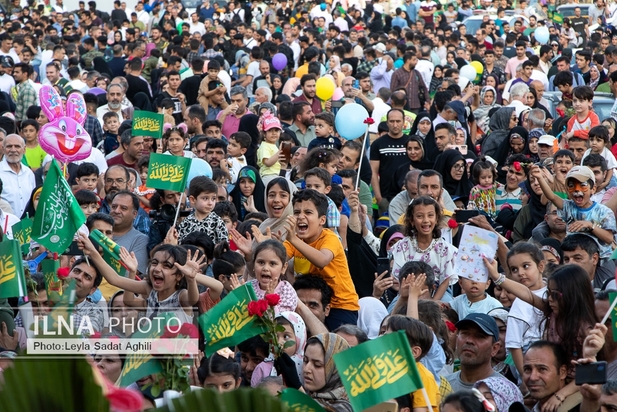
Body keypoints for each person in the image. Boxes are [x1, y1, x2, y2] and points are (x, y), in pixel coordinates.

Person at [281, 189, 359, 330]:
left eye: (308, 212)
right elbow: (279, 259)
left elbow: (322, 260)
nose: (301, 217)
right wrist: (263, 248)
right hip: (308, 303)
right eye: (297, 212)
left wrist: (293, 239)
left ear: (322, 220)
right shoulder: (294, 239)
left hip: (340, 305)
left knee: (338, 346)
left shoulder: (330, 238)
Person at [391, 196, 457, 301]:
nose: (426, 220)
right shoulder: (402, 247)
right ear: (412, 220)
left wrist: (433, 302)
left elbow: (445, 280)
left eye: (430, 215)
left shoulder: (444, 248)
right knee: (393, 313)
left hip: (439, 292)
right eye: (420, 216)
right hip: (408, 292)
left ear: (436, 219)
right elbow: (400, 278)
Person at [446, 313, 512, 392]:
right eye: (465, 333)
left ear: (494, 348)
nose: (469, 341)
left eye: (480, 336)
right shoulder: (442, 387)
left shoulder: (505, 391)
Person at [370, 109, 411, 214]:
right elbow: (373, 172)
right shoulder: (378, 144)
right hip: (386, 197)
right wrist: (379, 197)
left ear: (403, 122)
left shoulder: (410, 143)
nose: (395, 124)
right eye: (392, 121)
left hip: (409, 195)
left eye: (398, 121)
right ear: (387, 122)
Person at [302, 333, 353, 411]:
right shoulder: (311, 394)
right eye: (305, 360)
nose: (306, 369)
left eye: (317, 365)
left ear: (335, 370)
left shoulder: (344, 407)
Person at [176, 176, 228, 244]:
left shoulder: (217, 222)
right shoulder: (185, 223)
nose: (210, 203)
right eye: (205, 198)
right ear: (193, 200)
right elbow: (180, 245)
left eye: (213, 198)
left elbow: (224, 246)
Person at [0, 134, 35, 218]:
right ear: (3, 149)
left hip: (27, 226)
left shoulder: (29, 173)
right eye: (9, 146)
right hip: (4, 226)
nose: (13, 150)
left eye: (17, 146)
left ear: (24, 149)